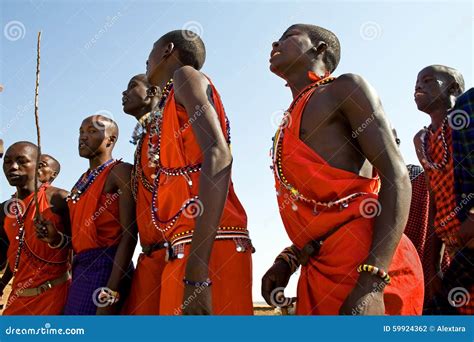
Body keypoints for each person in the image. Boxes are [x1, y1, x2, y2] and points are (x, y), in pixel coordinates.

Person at [262, 24, 424, 315]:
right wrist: (289, 258)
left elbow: (396, 175)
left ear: (319, 49)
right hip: (319, 269)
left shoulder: (345, 89)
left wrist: (373, 282)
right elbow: (321, 209)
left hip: (367, 264)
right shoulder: (286, 121)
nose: (276, 41)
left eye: (289, 36)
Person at [140, 30, 253, 315]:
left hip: (207, 247)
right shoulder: (168, 101)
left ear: (167, 49)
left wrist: (198, 267)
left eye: (151, 48)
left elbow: (219, 153)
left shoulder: (185, 76)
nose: (146, 58)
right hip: (187, 245)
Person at [40, 115, 136, 315]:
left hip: (108, 268)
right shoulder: (80, 182)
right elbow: (80, 239)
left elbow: (129, 236)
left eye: (92, 132)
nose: (83, 137)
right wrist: (56, 238)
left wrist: (110, 293)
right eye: (81, 132)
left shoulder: (119, 172)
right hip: (81, 269)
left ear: (110, 139)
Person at [413, 65, 473, 314]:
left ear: (454, 88)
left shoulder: (468, 118)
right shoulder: (421, 140)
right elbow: (435, 198)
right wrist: (435, 263)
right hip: (454, 246)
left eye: (428, 80)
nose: (418, 87)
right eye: (416, 83)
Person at [0, 141, 70, 315]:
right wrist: (2, 284)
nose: (13, 167)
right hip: (18, 299)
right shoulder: (6, 209)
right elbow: (15, 254)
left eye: (21, 161)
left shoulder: (58, 199)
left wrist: (58, 240)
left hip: (54, 297)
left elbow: (83, 248)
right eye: (7, 162)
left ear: (38, 165)